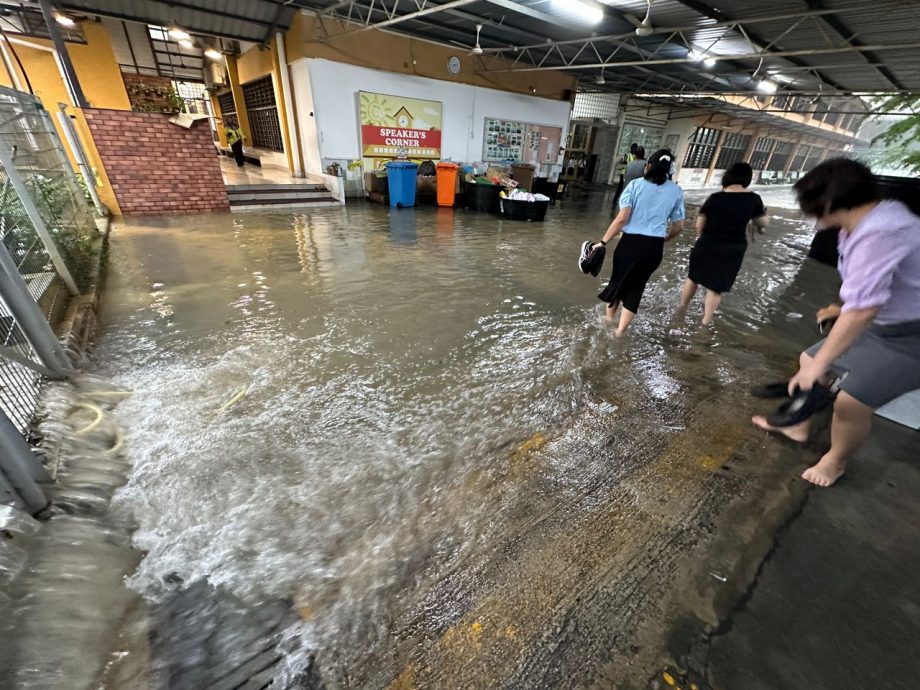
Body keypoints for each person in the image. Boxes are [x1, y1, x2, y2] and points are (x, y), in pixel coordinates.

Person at [752, 158, 920, 487]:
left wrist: (824, 360)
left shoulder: (881, 232)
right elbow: (876, 287)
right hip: (881, 322)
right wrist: (841, 311)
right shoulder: (868, 220)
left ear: (827, 202)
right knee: (809, 360)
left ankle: (835, 461)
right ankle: (797, 424)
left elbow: (863, 309)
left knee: (850, 401)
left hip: (911, 336)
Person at [593, 149, 686, 335]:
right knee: (636, 287)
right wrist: (665, 238)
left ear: (648, 166)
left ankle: (609, 319)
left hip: (630, 244)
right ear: (668, 170)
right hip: (654, 248)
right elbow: (679, 226)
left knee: (618, 281)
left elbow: (622, 219)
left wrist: (602, 242)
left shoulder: (635, 185)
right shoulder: (676, 191)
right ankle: (620, 332)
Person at [679, 162, 769, 325]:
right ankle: (705, 322)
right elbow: (763, 223)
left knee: (693, 278)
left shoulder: (715, 198)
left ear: (727, 177)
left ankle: (682, 308)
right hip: (733, 248)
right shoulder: (754, 200)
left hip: (708, 243)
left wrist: (701, 239)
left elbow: (699, 224)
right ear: (747, 178)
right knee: (716, 288)